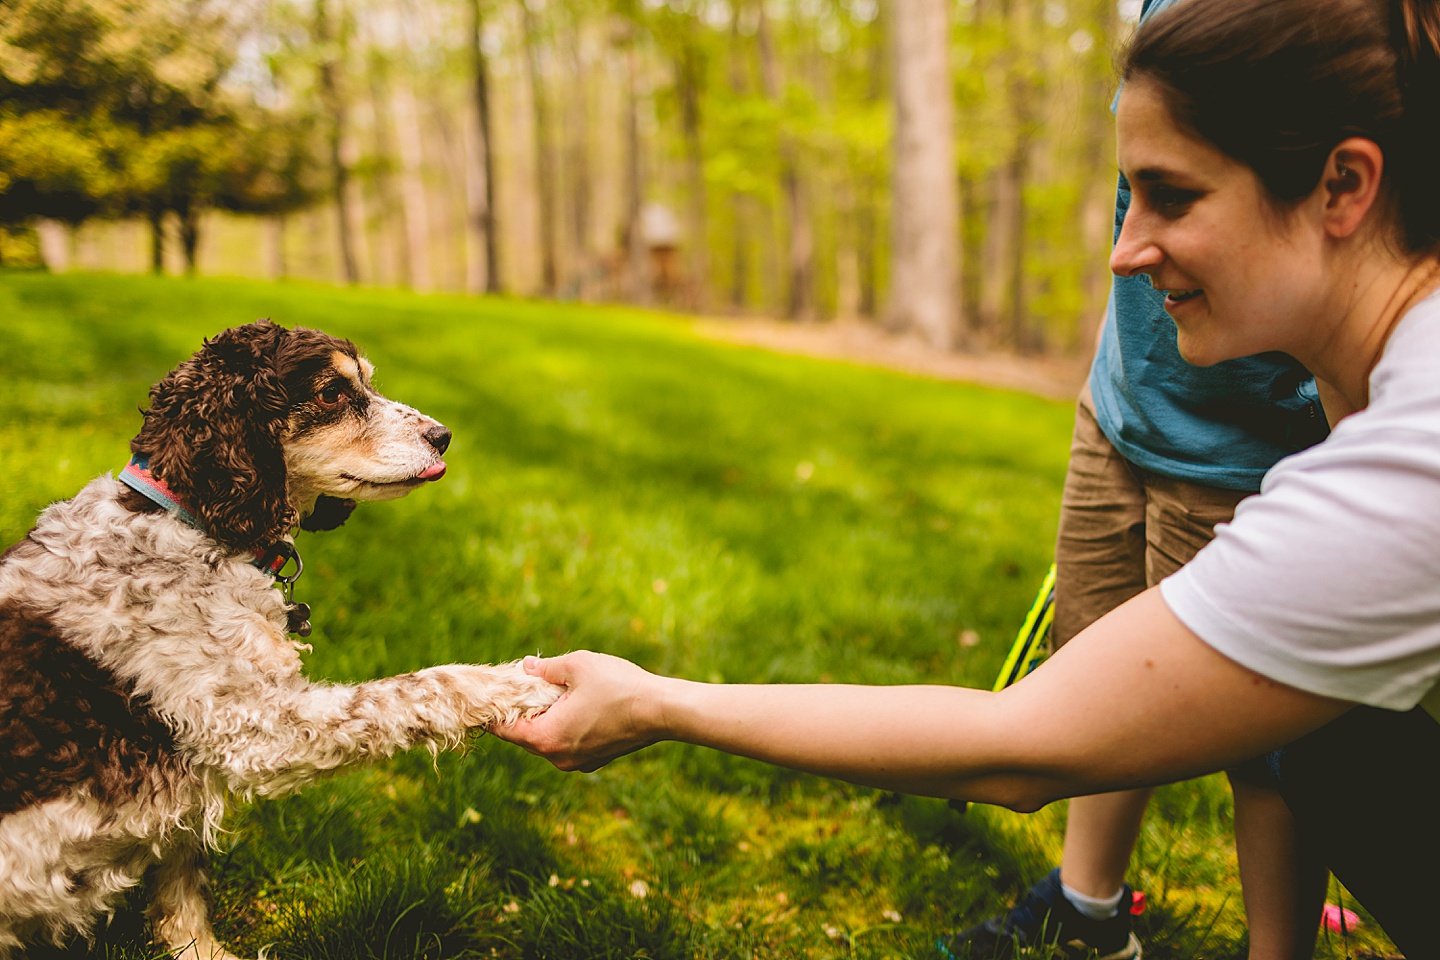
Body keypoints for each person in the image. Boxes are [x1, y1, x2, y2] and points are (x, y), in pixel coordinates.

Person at [496, 0, 1440, 954]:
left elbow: (1022, 745)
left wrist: (660, 703)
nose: (1124, 249)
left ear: (1343, 185)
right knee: (1336, 748)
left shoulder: (1408, 468)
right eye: (1130, 195)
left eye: (1173, 195)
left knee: (1334, 757)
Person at [946, 0, 1332, 955]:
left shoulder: (1342, 33)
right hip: (1119, 410)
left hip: (1246, 449)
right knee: (1095, 672)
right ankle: (1088, 910)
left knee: (1266, 747)